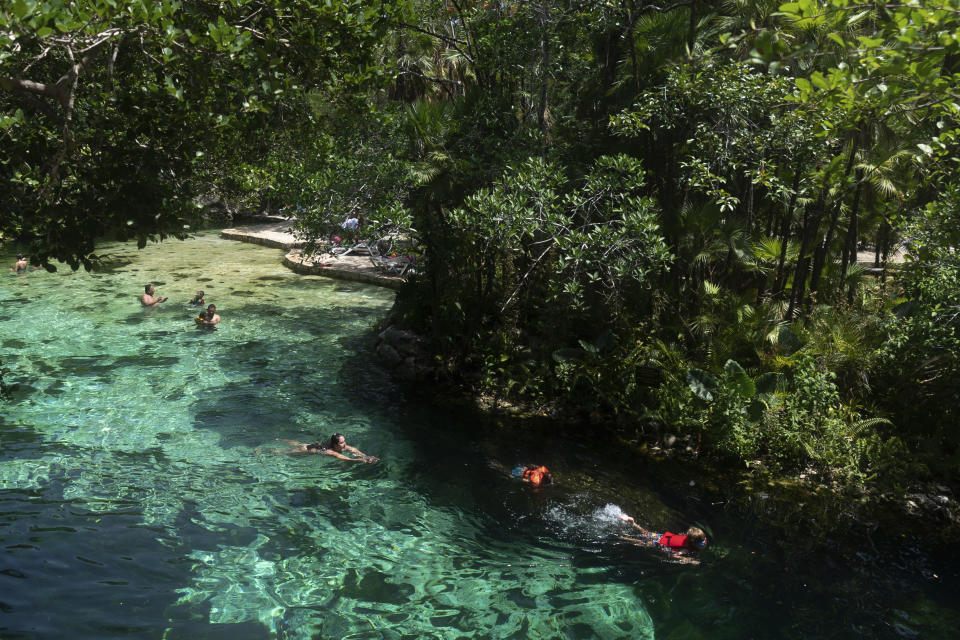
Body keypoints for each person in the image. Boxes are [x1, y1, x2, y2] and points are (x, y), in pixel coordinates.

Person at [617, 513, 707, 565]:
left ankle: (633, 523)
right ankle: (623, 538)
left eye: (703, 541)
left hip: (662, 536)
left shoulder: (693, 538)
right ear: (693, 542)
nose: (703, 543)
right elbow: (674, 556)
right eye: (701, 543)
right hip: (658, 544)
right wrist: (690, 561)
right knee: (641, 543)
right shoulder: (686, 549)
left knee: (646, 533)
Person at [268, 433, 379, 463]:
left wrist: (367, 456)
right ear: (335, 444)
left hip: (309, 445)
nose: (345, 444)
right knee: (281, 452)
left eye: (344, 441)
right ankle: (264, 450)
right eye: (341, 443)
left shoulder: (341, 445)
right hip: (306, 450)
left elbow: (354, 450)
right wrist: (361, 460)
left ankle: (278, 439)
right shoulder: (330, 451)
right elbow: (346, 458)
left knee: (298, 443)